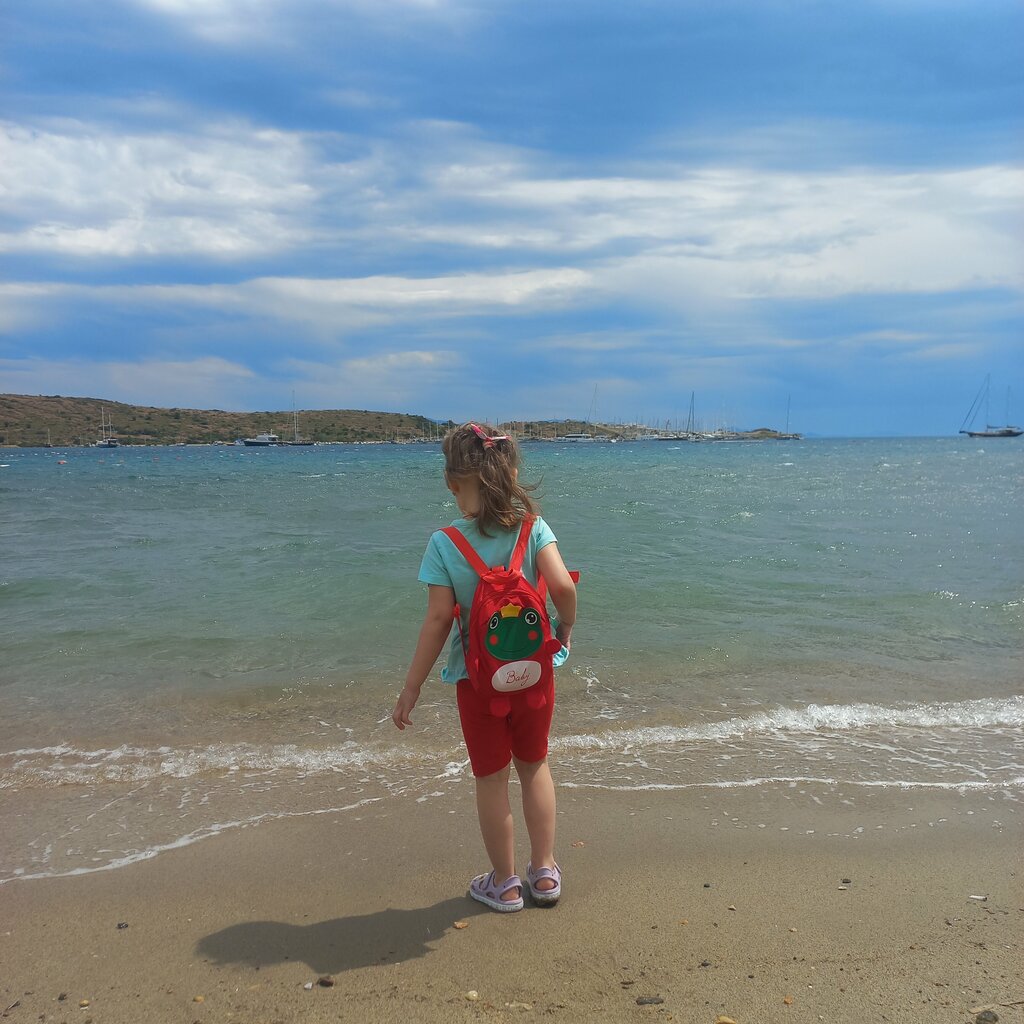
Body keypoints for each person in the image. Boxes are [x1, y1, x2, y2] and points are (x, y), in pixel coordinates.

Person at [392, 422, 578, 912]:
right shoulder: (533, 528)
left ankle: (505, 883)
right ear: (511, 474)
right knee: (534, 765)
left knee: (492, 779)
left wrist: (411, 687)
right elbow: (563, 588)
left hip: (478, 683)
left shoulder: (444, 543)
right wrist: (564, 628)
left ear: (454, 483)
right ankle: (544, 872)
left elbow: (437, 621)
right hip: (535, 677)